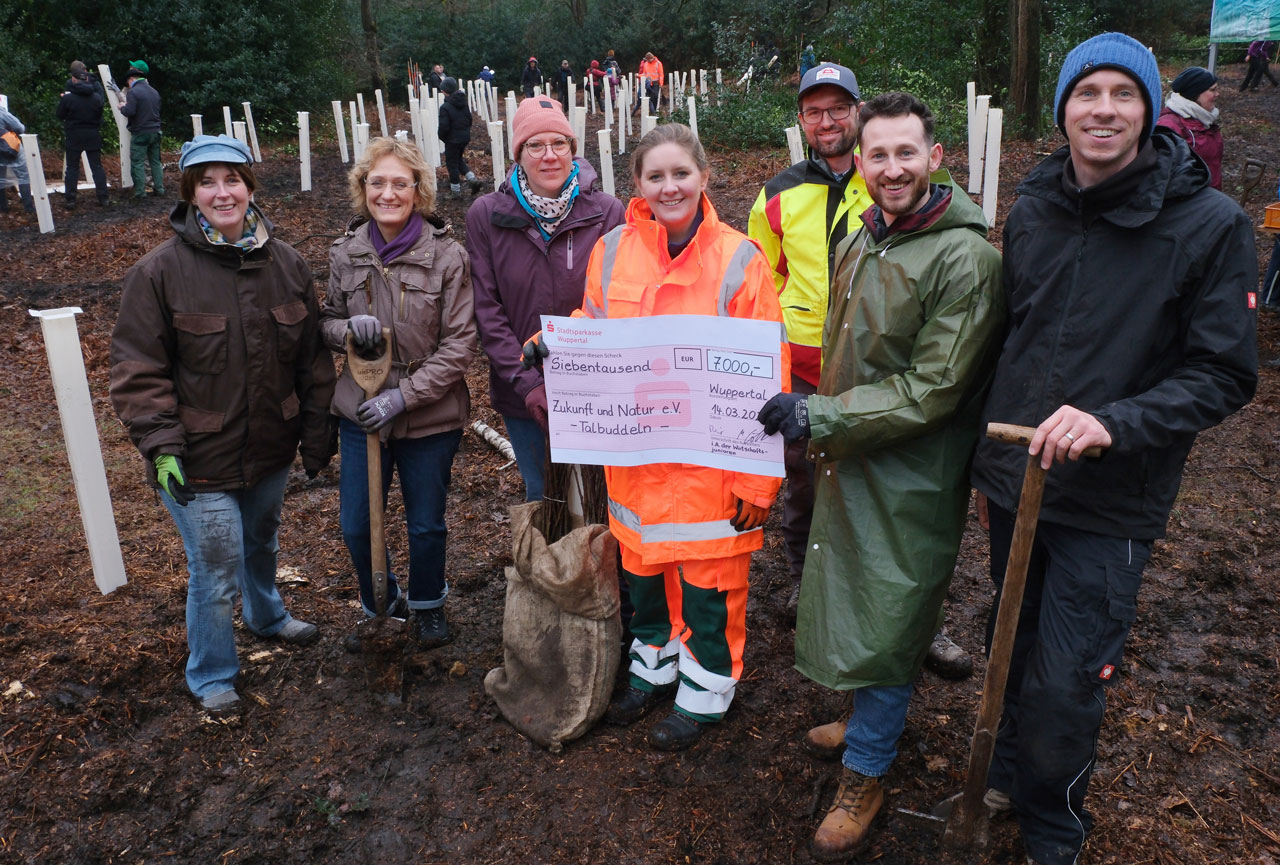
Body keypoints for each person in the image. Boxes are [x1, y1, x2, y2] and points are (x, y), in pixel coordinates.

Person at [969, 33, 1257, 865]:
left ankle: (1054, 828)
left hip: (1113, 491)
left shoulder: (1208, 225)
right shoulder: (1034, 210)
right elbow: (1012, 338)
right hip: (1018, 477)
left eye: (1121, 94)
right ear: (1063, 110)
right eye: (1085, 92)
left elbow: (1223, 373)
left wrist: (1113, 422)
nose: (1102, 109)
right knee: (1011, 634)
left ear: (1148, 109)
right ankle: (1011, 769)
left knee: (1068, 673)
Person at [755, 92, 1004, 858]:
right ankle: (865, 720)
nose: (892, 168)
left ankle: (867, 769)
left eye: (907, 153)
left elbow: (933, 389)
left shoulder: (966, 259)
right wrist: (820, 411)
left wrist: (819, 417)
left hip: (912, 473)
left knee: (892, 613)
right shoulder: (866, 235)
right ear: (859, 163)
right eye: (877, 154)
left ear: (935, 158)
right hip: (854, 452)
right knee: (853, 592)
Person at [559, 123, 790, 752]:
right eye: (655, 176)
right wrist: (557, 343)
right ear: (636, 184)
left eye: (680, 173)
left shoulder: (740, 259)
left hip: (711, 474)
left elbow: (768, 377)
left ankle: (706, 691)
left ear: (704, 177)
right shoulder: (612, 251)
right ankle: (653, 667)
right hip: (637, 465)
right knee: (643, 572)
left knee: (708, 583)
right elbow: (595, 325)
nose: (669, 187)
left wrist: (756, 481)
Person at [109, 134, 335, 718]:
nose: (222, 191)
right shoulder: (157, 274)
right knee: (214, 564)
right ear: (190, 195)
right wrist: (160, 445)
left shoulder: (286, 264)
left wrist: (315, 434)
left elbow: (311, 358)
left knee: (260, 539)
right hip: (196, 457)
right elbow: (138, 369)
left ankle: (267, 615)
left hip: (268, 446)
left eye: (232, 179)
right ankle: (212, 673)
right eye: (207, 182)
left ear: (250, 188)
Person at [321, 137, 477, 649]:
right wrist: (344, 330)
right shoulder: (346, 252)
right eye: (377, 182)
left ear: (418, 191)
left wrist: (404, 395)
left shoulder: (448, 257)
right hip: (360, 407)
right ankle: (381, 604)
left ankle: (428, 603)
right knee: (357, 523)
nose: (388, 193)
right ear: (363, 188)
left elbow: (459, 345)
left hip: (428, 413)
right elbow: (323, 319)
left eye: (400, 184)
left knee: (426, 522)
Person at [747, 62, 872, 620]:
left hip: (874, 354)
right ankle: (804, 579)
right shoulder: (778, 193)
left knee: (877, 473)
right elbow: (760, 276)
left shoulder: (888, 176)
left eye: (838, 108)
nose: (828, 121)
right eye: (815, 111)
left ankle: (888, 593)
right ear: (801, 118)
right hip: (801, 361)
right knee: (802, 474)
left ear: (857, 112)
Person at [466, 97, 624, 501]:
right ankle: (552, 566)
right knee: (545, 495)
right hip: (523, 393)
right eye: (535, 145)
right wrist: (527, 382)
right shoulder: (486, 215)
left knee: (600, 497)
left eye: (560, 143)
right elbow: (487, 310)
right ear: (518, 153)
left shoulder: (608, 212)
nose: (549, 155)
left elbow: (617, 300)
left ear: (573, 149)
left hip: (596, 389)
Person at [1156, 67, 1222, 189]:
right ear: (1195, 93)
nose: (1217, 94)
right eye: (1213, 90)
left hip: (1209, 199)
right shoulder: (1168, 126)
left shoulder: (1204, 120)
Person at [56, 60, 110, 208]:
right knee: (97, 167)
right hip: (92, 133)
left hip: (74, 134)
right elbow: (99, 115)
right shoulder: (97, 98)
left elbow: (60, 115)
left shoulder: (68, 98)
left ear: (74, 79)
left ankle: (71, 199)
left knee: (72, 168)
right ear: (85, 78)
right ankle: (103, 197)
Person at [119, 59, 164, 199]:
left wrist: (122, 107)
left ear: (131, 79)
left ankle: (140, 192)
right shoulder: (154, 91)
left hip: (141, 132)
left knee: (137, 162)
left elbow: (130, 112)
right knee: (155, 162)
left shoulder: (134, 92)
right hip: (156, 130)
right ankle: (160, 189)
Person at [437, 77, 482, 197]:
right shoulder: (463, 103)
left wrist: (443, 137)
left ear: (445, 91)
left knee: (452, 164)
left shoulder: (445, 107)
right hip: (464, 138)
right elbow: (469, 119)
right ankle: (472, 180)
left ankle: (455, 192)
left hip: (452, 140)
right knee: (458, 160)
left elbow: (444, 127)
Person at [0, 104, 34, 214]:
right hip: (11, 149)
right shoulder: (2, 113)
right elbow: (20, 128)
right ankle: (28, 208)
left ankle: (2, 208)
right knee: (23, 176)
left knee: (0, 180)